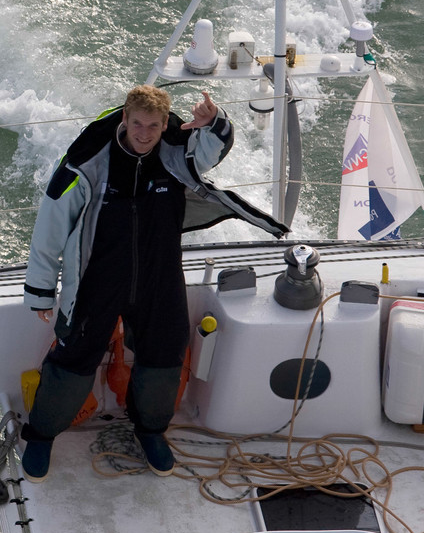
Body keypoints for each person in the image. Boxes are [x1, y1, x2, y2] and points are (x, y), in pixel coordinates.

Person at [19, 84, 286, 481]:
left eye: (154, 127)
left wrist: (214, 122)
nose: (144, 134)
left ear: (165, 126)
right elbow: (50, 228)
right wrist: (40, 290)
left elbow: (210, 151)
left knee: (164, 355)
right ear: (124, 119)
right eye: (137, 124)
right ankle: (40, 435)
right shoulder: (86, 161)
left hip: (159, 274)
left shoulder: (176, 152)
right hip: (97, 276)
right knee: (74, 356)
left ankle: (150, 431)